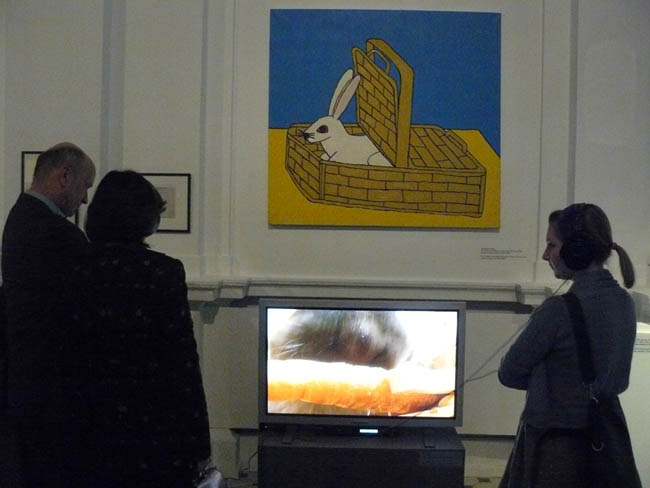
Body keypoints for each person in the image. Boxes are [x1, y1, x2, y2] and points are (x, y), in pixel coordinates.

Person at [83, 170, 211, 487]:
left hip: (89, 419)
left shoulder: (74, 266)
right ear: (143, 218)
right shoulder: (162, 271)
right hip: (153, 422)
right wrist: (199, 442)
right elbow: (182, 361)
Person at [498, 203, 639, 488]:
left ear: (576, 250)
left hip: (556, 452)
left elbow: (509, 373)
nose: (545, 255)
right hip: (609, 443)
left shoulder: (557, 310)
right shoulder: (625, 302)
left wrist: (546, 379)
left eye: (551, 245)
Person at [1, 142, 96, 487]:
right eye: (85, 185)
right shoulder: (57, 233)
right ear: (65, 175)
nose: (85, 199)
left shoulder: (21, 217)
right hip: (54, 386)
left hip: (27, 380)